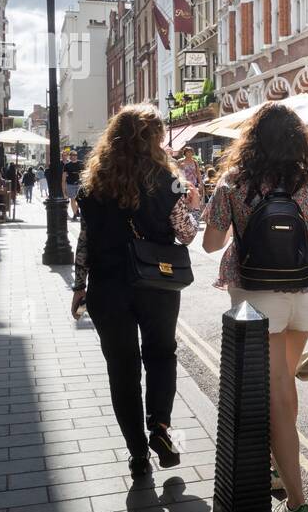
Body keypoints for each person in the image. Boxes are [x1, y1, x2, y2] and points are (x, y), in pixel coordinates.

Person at [202, 102, 308, 512]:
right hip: (303, 294)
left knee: (278, 394)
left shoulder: (234, 182)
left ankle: (298, 505)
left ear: (251, 140)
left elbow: (212, 244)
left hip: (256, 297)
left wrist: (240, 223)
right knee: (284, 384)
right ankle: (275, 466)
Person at [71, 105, 200, 480]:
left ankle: (137, 454)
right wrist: (193, 206)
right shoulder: (168, 180)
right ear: (155, 139)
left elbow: (85, 241)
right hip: (156, 284)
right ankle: (159, 427)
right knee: (161, 354)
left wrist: (79, 286)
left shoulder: (92, 183)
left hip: (108, 288)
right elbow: (188, 234)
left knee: (122, 369)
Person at [178, 147, 203, 222]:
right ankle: (186, 214)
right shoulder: (180, 161)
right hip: (184, 183)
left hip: (193, 183)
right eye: (188, 152)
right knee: (186, 198)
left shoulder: (195, 162)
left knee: (194, 197)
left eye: (191, 152)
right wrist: (180, 168)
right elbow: (177, 173)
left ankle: (192, 214)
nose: (189, 153)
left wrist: (200, 183)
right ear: (184, 153)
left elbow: (198, 173)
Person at [63, 151, 83, 220]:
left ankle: (76, 211)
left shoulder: (80, 163)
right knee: (73, 199)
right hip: (70, 184)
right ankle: (75, 214)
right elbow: (64, 177)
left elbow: (82, 174)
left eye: (75, 155)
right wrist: (64, 189)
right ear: (70, 156)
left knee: (80, 200)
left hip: (79, 184)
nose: (74, 156)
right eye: (72, 155)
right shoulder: (67, 165)